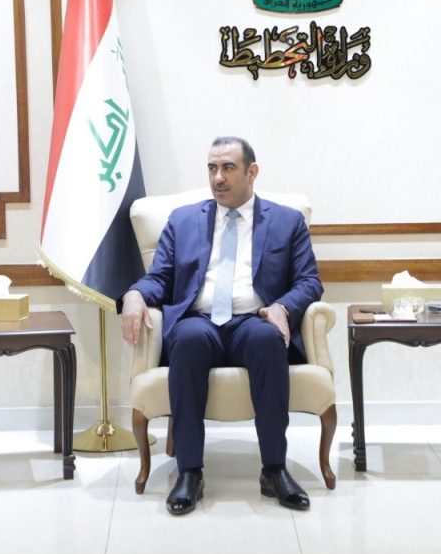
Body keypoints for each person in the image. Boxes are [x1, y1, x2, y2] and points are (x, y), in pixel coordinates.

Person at [120, 137, 323, 516]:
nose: (218, 177)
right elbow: (160, 278)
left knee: (268, 340)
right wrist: (134, 293)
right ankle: (190, 473)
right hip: (200, 321)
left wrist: (283, 307)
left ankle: (274, 469)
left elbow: (309, 281)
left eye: (228, 168)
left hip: (254, 320)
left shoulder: (287, 221)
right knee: (188, 339)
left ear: (252, 172)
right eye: (212, 168)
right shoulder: (182, 221)